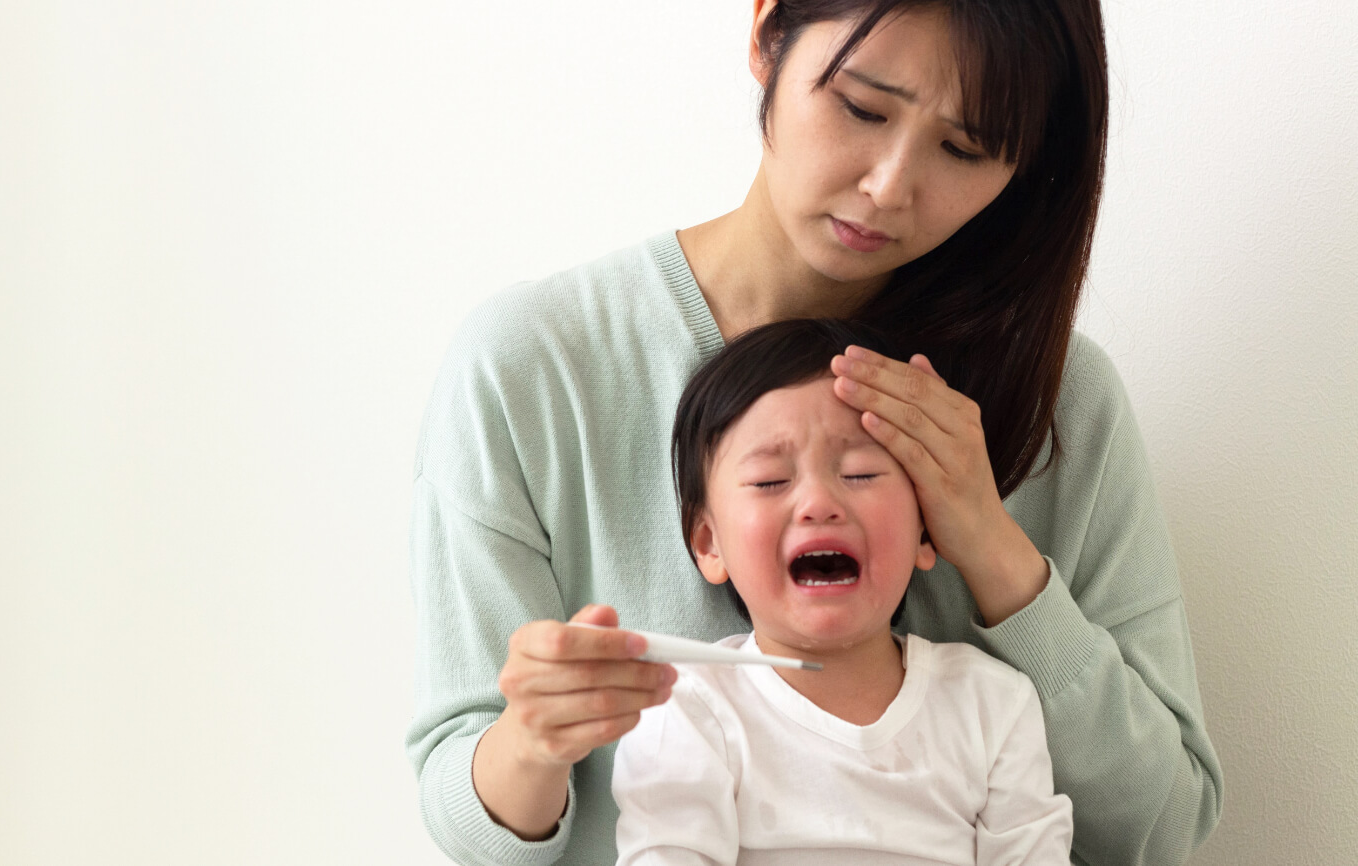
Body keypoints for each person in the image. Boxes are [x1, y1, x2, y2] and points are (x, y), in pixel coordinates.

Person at [407, 2, 1222, 864]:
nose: (889, 185)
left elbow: (1162, 829)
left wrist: (992, 548)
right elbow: (469, 824)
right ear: (767, 34)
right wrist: (534, 741)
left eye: (964, 148)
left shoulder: (1062, 403)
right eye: (862, 108)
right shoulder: (532, 367)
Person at [611, 318, 1074, 865]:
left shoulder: (991, 704)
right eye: (769, 482)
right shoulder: (690, 707)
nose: (818, 503)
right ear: (709, 543)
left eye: (858, 473)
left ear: (927, 529)